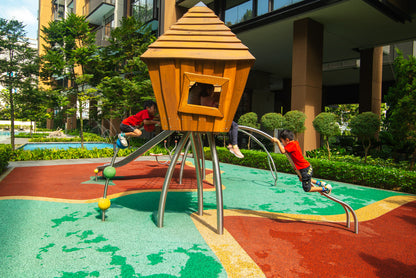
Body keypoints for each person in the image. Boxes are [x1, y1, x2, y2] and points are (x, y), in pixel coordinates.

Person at [271, 129, 332, 194]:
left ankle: (325, 188)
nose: (282, 143)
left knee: (307, 189)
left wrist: (277, 141)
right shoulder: (294, 143)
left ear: (287, 140)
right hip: (305, 168)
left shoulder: (292, 144)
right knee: (302, 179)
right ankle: (320, 183)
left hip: (305, 169)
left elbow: (283, 151)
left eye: (282, 141)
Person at [194, 82, 244, 159]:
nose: (212, 92)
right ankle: (234, 146)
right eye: (211, 90)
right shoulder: (209, 98)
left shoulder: (201, 97)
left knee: (231, 125)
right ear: (207, 90)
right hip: (211, 121)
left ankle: (232, 145)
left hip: (207, 119)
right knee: (234, 125)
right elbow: (217, 107)